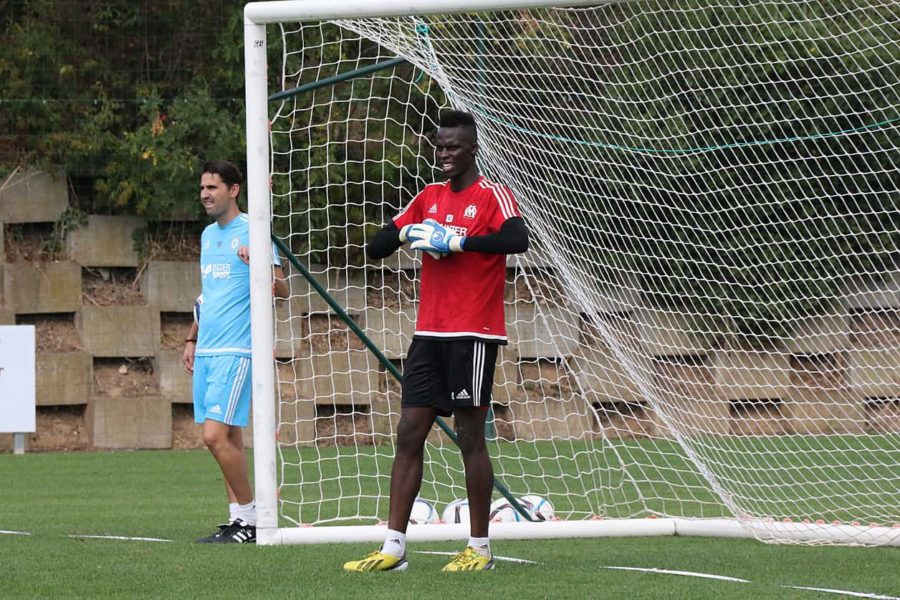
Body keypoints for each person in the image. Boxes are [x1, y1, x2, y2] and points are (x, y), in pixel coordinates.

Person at [343, 110, 529, 572]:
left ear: (473, 149)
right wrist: (408, 231)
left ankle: (480, 549)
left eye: (453, 147)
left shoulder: (493, 196)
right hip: (428, 334)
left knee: (470, 438)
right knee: (409, 432)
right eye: (439, 146)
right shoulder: (427, 197)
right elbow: (377, 244)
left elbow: (518, 239)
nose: (444, 154)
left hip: (473, 333)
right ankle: (394, 547)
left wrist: (458, 243)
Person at [182, 160, 289, 544]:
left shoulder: (255, 232)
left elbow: (283, 289)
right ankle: (238, 521)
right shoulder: (208, 236)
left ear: (234, 190)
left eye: (212, 187)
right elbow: (206, 297)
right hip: (208, 350)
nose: (205, 194)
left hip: (237, 349)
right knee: (229, 438)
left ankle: (254, 518)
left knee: (213, 436)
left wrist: (256, 264)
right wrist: (191, 339)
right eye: (201, 188)